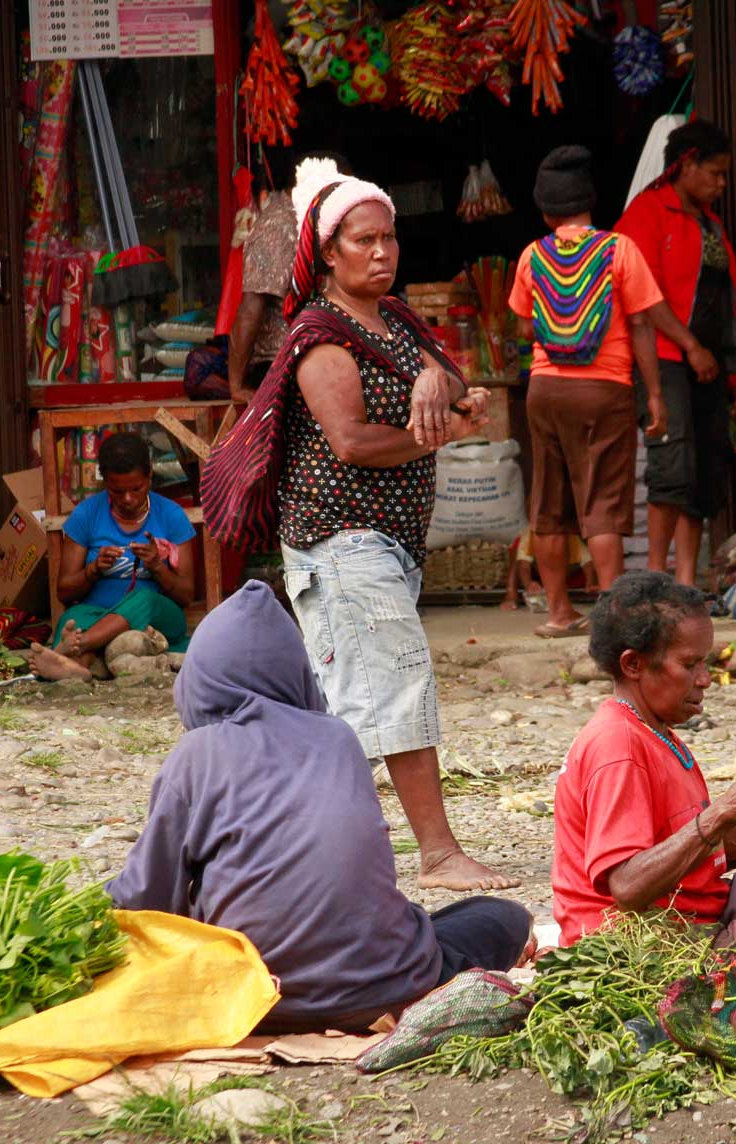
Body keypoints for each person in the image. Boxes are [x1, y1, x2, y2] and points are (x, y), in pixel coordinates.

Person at [109, 581, 532, 1032]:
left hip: (252, 1002)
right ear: (296, 672)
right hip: (383, 988)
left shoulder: (196, 754)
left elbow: (144, 898)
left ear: (200, 679)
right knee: (505, 916)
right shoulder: (337, 738)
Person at [274, 164, 514, 892]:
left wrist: (437, 384)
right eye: (363, 240)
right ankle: (438, 855)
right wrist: (436, 432)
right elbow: (349, 441)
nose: (381, 252)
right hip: (340, 539)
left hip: (386, 541)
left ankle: (308, 853)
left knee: (355, 704)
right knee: (399, 687)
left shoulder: (397, 320)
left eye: (389, 238)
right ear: (328, 252)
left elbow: (465, 394)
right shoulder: (320, 336)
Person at [552, 572, 736, 945]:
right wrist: (723, 812)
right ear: (633, 665)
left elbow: (693, 858)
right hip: (638, 948)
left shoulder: (655, 732)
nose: (705, 680)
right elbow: (628, 886)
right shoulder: (617, 745)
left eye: (706, 663)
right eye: (690, 665)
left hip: (685, 922)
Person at [508, 145, 701, 637]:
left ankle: (557, 613)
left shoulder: (532, 255)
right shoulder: (619, 250)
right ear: (591, 201)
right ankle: (611, 621)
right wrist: (654, 395)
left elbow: (525, 325)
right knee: (601, 508)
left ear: (546, 209)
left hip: (545, 390)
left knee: (548, 507)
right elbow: (641, 327)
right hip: (605, 389)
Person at [614, 120, 736, 586]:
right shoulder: (647, 213)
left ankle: (688, 582)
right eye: (714, 173)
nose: (721, 184)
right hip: (667, 361)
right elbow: (643, 295)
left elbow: (726, 304)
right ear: (686, 164)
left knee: (704, 474)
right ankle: (656, 577)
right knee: (670, 469)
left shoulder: (711, 225)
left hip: (709, 366)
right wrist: (690, 346)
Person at [53, 431, 196, 671]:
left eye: (136, 489)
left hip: (158, 617)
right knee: (73, 617)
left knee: (144, 599)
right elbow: (64, 592)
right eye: (117, 491)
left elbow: (187, 595)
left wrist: (158, 568)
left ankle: (79, 645)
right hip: (97, 612)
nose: (127, 499)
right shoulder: (86, 514)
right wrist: (93, 570)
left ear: (150, 476)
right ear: (105, 482)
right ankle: (77, 668)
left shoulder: (171, 516)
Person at [226, 154, 344, 402]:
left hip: (318, 359)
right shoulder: (279, 225)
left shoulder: (315, 222)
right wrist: (236, 385)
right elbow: (250, 310)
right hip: (284, 365)